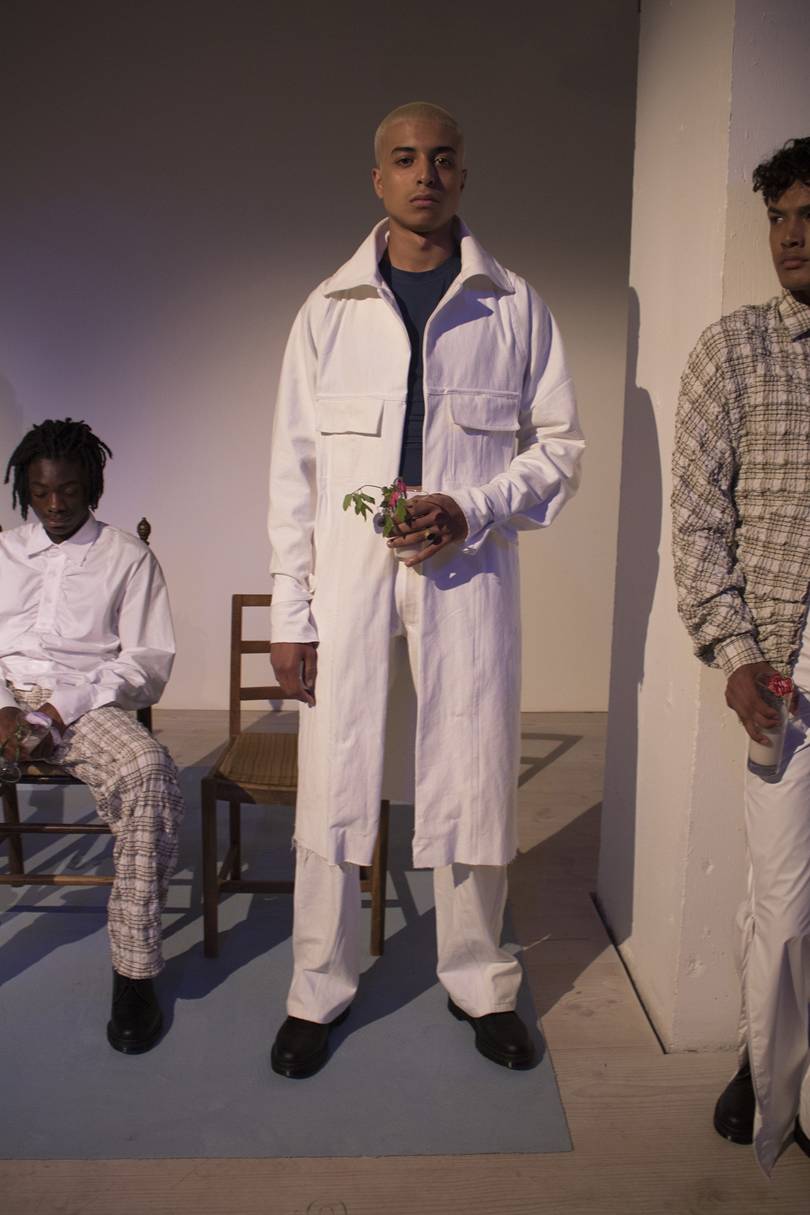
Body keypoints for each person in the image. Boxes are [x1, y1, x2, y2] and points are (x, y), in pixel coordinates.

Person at [267, 101, 584, 1078]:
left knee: (473, 770)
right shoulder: (327, 312)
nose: (425, 175)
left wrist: (473, 508)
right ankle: (317, 987)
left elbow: (560, 449)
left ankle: (481, 980)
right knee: (335, 773)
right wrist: (289, 609)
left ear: (463, 173)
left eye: (442, 158)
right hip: (348, 581)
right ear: (378, 178)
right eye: (405, 159)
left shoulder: (513, 305)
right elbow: (292, 472)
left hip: (468, 572)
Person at [672, 137, 810, 1172]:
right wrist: (734, 650)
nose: (791, 236)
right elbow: (697, 521)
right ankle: (765, 1065)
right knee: (784, 891)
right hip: (785, 661)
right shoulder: (735, 350)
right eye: (778, 217)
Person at [0, 418, 183, 1054]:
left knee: (148, 772)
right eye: (40, 492)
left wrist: (57, 710)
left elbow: (147, 663)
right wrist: (5, 708)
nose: (54, 505)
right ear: (24, 490)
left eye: (69, 491)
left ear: (94, 487)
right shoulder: (2, 551)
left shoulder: (128, 557)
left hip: (86, 702)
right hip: (4, 695)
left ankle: (134, 972)